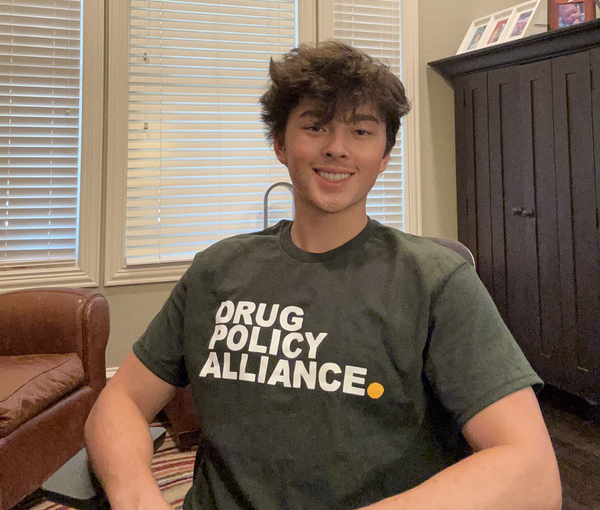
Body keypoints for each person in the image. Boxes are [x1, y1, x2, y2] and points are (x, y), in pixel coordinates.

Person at [85, 41, 561, 510]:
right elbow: (121, 400)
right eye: (315, 126)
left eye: (361, 132)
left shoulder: (436, 282)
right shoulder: (216, 269)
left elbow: (531, 472)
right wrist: (135, 496)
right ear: (279, 143)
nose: (337, 149)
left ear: (386, 155)